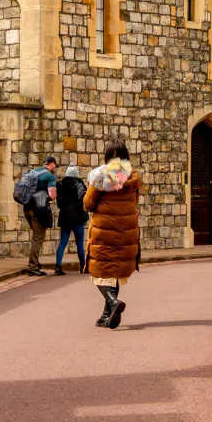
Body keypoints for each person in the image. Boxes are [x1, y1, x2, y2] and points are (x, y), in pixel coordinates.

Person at [83, 140, 142, 328]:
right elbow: (135, 200)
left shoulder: (101, 178)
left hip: (104, 232)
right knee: (114, 272)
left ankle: (113, 302)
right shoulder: (133, 178)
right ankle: (107, 313)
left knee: (98, 271)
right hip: (127, 232)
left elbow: (88, 203)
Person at [23, 156, 58, 275]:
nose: (55, 169)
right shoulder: (49, 176)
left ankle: (35, 264)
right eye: (55, 166)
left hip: (27, 208)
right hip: (38, 210)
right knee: (38, 238)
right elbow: (53, 196)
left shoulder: (33, 172)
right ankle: (33, 267)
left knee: (35, 237)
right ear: (51, 164)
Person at [54, 164, 88, 274]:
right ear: (76, 174)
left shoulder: (60, 184)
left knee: (63, 242)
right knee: (79, 243)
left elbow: (59, 203)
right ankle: (83, 266)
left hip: (64, 216)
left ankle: (58, 267)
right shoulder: (79, 184)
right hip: (77, 217)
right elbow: (84, 200)